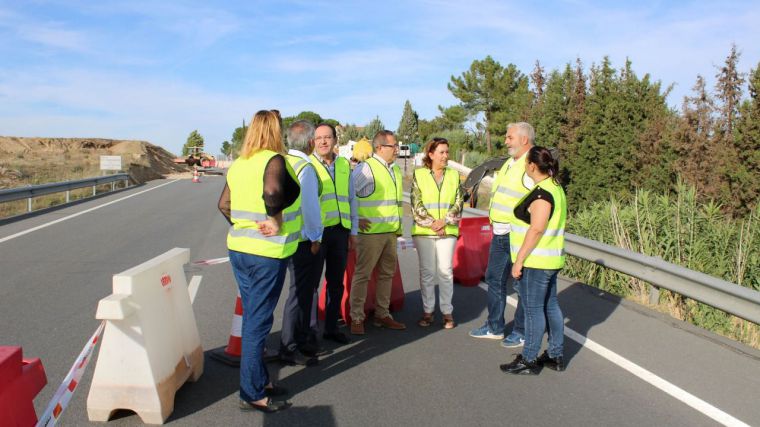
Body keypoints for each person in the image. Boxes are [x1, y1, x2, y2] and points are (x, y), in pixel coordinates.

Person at [218, 110, 297, 412]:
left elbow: (223, 204)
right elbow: (274, 192)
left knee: (254, 316)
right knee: (258, 322)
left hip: (239, 249)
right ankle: (251, 393)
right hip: (266, 253)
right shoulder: (272, 160)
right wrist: (272, 220)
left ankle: (260, 380)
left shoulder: (239, 163)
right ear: (275, 130)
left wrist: (244, 227)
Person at [500, 146, 567, 375]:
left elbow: (537, 228)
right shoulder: (555, 187)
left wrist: (519, 261)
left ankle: (529, 359)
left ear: (531, 166)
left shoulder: (542, 193)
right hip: (551, 258)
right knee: (550, 306)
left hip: (536, 261)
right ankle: (555, 354)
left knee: (532, 310)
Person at [469, 122, 534, 348]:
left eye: (510, 138)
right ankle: (495, 327)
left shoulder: (532, 164)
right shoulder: (508, 163)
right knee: (494, 278)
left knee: (520, 285)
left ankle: (521, 331)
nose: (505, 141)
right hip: (500, 233)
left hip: (518, 235)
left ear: (524, 139)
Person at [349, 130, 406, 334]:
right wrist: (354, 219)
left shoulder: (395, 170)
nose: (397, 149)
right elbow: (348, 195)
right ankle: (356, 317)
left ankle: (382, 314)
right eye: (393, 146)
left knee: (386, 275)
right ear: (380, 148)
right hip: (370, 233)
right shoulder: (366, 169)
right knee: (362, 275)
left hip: (390, 232)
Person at [278, 120, 324, 366]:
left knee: (299, 292)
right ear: (309, 143)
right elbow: (310, 207)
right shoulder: (305, 166)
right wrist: (316, 237)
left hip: (287, 237)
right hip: (304, 240)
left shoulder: (283, 161)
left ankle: (300, 340)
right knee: (301, 293)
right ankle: (290, 346)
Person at [310, 123, 358, 345]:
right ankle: (309, 333)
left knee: (336, 282)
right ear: (313, 141)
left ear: (335, 140)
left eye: (327, 137)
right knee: (311, 285)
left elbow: (351, 199)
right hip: (316, 235)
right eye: (318, 138)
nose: (323, 142)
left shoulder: (343, 165)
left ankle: (330, 327)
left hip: (340, 231)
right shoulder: (308, 165)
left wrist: (353, 231)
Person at [410, 138, 464, 329]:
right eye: (441, 152)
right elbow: (416, 203)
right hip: (425, 231)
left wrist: (445, 221)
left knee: (446, 272)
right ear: (431, 154)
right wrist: (433, 223)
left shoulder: (454, 175)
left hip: (447, 230)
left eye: (447, 152)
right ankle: (428, 311)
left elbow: (459, 202)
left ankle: (447, 312)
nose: (445, 156)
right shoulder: (419, 175)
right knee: (427, 272)